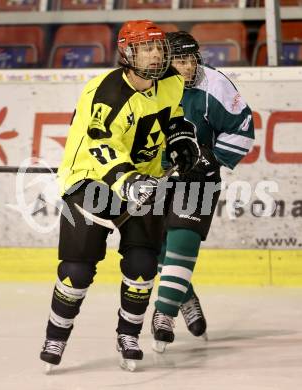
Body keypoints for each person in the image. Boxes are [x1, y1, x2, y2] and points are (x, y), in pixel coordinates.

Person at [39, 20, 200, 372]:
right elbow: (101, 145)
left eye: (158, 47)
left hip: (145, 179)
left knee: (143, 265)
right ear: (128, 53)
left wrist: (182, 140)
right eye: (146, 48)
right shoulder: (107, 93)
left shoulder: (170, 82)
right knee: (76, 269)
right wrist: (126, 179)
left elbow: (171, 117)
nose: (155, 54)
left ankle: (128, 334)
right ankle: (56, 335)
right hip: (92, 180)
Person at [151, 31, 255, 352]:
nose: (187, 66)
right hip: (158, 175)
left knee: (183, 239)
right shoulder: (152, 87)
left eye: (191, 58)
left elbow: (243, 126)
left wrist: (212, 157)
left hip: (199, 177)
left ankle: (163, 314)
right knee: (154, 246)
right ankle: (186, 295)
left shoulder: (215, 85)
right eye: (179, 60)